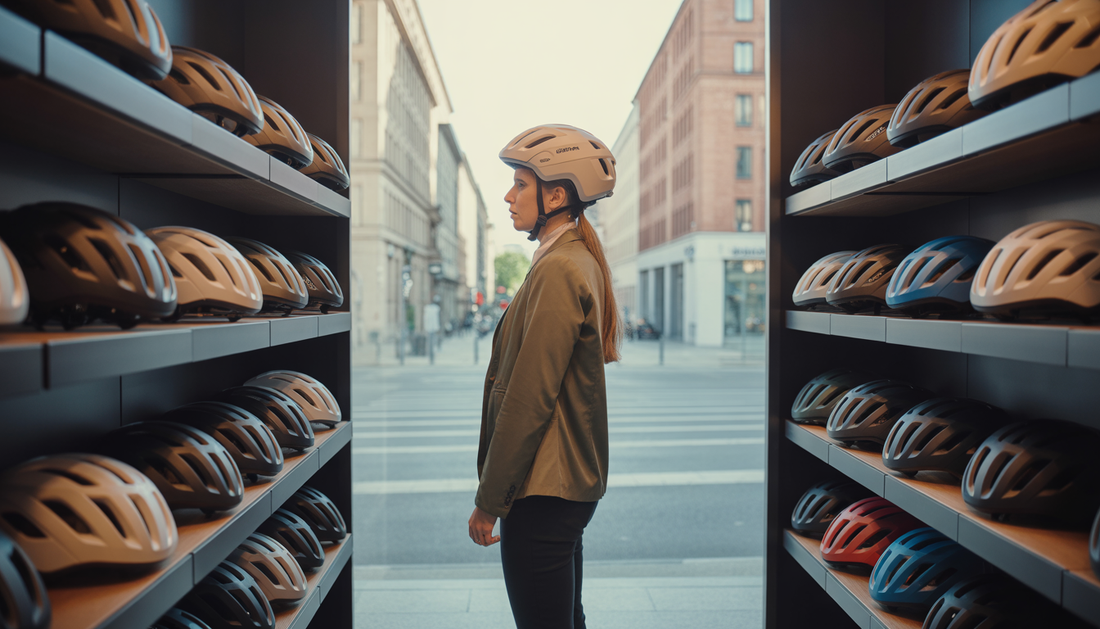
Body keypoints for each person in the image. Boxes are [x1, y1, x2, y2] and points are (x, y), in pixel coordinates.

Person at [467, 124, 621, 629]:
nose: (509, 196)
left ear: (555, 195)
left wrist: (489, 502)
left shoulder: (560, 268)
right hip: (558, 488)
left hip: (543, 492)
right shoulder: (569, 259)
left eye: (520, 184)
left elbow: (530, 397)